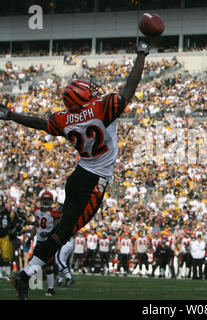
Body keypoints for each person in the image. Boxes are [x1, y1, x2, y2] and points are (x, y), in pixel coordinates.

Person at [1, 40, 150, 300]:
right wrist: (142, 53)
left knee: (63, 231)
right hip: (94, 180)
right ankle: (24, 276)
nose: (94, 92)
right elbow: (130, 86)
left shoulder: (64, 118)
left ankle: (25, 276)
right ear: (83, 97)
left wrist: (11, 115)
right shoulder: (100, 108)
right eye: (89, 91)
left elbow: (39, 122)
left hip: (79, 175)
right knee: (63, 232)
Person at [27, 191, 61, 296]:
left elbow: (57, 228)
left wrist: (49, 235)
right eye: (44, 199)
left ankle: (51, 289)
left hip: (48, 242)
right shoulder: (36, 211)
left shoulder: (54, 212)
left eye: (48, 199)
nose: (46, 201)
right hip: (39, 242)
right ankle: (45, 278)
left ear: (51, 201)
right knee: (34, 263)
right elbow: (35, 227)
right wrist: (30, 238)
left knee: (47, 266)